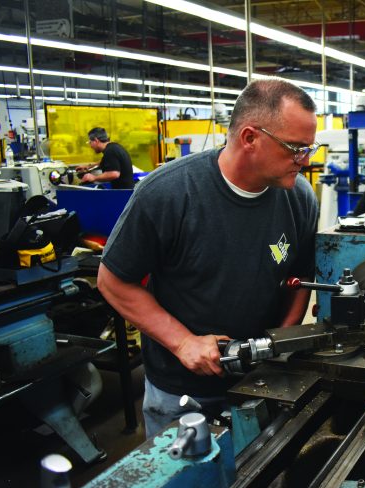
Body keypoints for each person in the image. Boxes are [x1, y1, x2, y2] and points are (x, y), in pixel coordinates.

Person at [96, 79, 320, 437]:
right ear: (250, 138)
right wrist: (183, 342)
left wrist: (279, 344)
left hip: (263, 381)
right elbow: (112, 281)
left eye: (309, 148)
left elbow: (300, 277)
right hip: (182, 391)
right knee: (185, 473)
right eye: (295, 148)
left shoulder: (300, 198)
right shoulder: (168, 193)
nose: (305, 161)